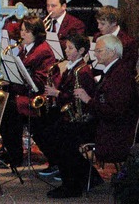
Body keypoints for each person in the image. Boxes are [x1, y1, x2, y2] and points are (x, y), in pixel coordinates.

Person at [45, 34, 138, 198]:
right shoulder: (115, 71)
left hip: (113, 131)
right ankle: (82, 178)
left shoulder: (120, 76)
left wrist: (87, 100)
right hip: (105, 123)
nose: (95, 54)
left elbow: (113, 111)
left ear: (112, 52)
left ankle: (72, 186)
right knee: (59, 129)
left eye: (99, 51)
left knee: (64, 136)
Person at [0, 16, 56, 167]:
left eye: (27, 31)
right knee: (2, 102)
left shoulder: (43, 51)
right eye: (22, 30)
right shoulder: (27, 48)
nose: (22, 34)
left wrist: (15, 81)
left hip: (35, 97)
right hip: (24, 92)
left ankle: (15, 155)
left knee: (9, 109)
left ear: (37, 33)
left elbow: (39, 82)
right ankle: (11, 150)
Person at [38, 33, 95, 178]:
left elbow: (77, 96)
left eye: (70, 48)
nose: (66, 51)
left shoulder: (82, 71)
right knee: (41, 126)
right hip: (67, 112)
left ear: (81, 51)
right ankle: (60, 165)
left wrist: (57, 93)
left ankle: (72, 170)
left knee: (54, 134)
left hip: (78, 118)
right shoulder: (72, 68)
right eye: (66, 48)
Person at [92, 5, 138, 75]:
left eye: (102, 24)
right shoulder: (97, 37)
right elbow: (94, 61)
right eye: (98, 23)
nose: (98, 26)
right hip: (98, 75)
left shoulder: (128, 42)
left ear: (114, 23)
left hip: (118, 78)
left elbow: (128, 68)